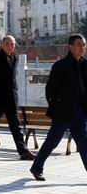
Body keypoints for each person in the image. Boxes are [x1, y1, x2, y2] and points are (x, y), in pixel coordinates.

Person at [30, 34, 87, 180]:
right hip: (63, 113)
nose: (82, 48)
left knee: (84, 144)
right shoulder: (61, 66)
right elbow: (50, 90)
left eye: (84, 45)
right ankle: (37, 167)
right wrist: (57, 107)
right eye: (79, 45)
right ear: (70, 47)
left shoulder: (85, 65)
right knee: (52, 142)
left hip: (80, 112)